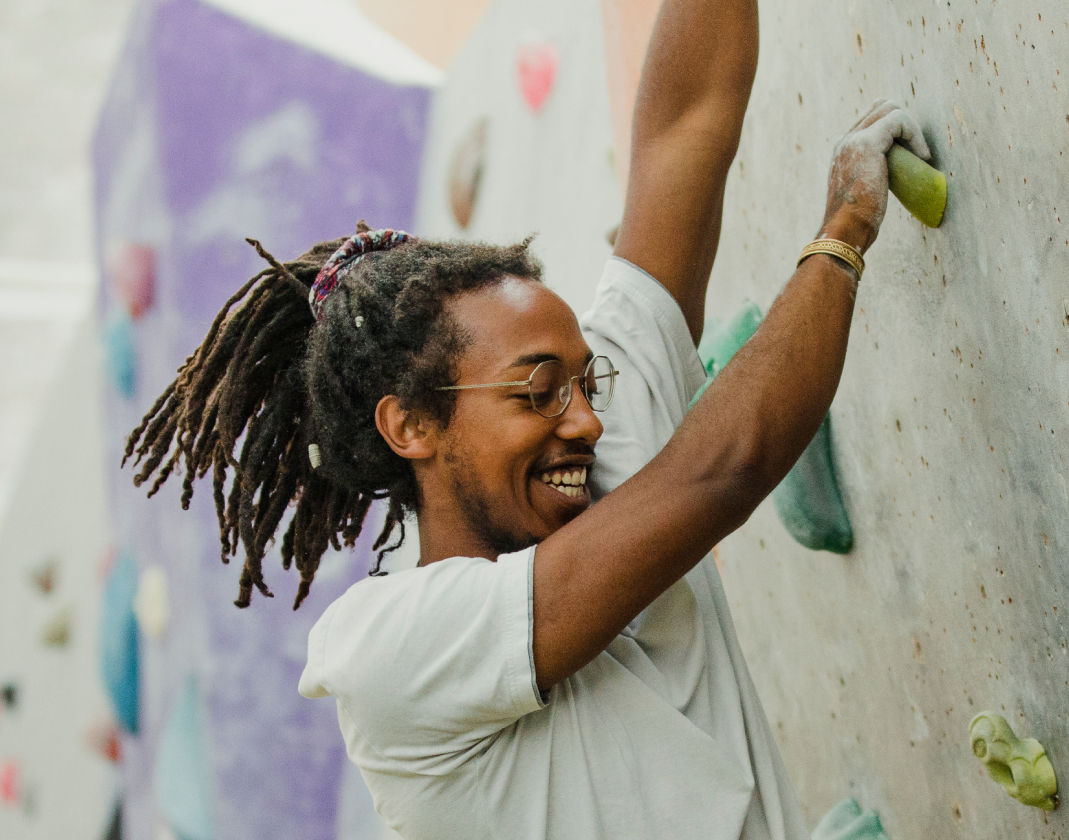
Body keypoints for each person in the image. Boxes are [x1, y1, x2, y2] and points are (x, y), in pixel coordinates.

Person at [125, 0, 932, 835]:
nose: (584, 420)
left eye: (587, 383)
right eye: (538, 391)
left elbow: (684, 131)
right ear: (410, 427)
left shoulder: (597, 454)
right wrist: (843, 232)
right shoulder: (387, 651)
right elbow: (722, 471)